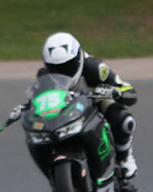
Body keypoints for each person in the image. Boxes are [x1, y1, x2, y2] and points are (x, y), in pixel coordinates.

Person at [36, 31, 139, 177]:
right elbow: (37, 99)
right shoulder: (44, 75)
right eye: (56, 68)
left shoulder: (96, 68)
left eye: (67, 66)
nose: (62, 72)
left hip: (95, 102)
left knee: (124, 120)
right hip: (64, 110)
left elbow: (129, 91)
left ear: (78, 59)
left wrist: (114, 92)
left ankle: (125, 158)